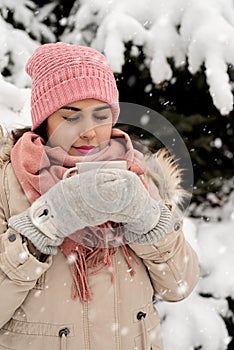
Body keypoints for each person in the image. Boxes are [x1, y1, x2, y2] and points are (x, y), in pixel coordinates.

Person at [0, 42, 199, 350]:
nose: (89, 132)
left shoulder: (139, 176)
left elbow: (179, 285)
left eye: (101, 115)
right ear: (45, 119)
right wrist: (45, 224)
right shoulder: (7, 183)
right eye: (71, 117)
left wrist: (149, 220)